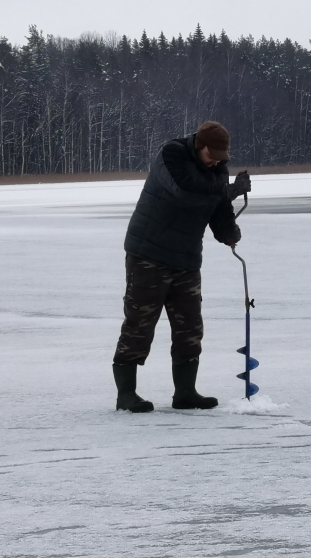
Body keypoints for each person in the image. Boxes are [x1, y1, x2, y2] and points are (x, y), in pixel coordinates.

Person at [112, 120, 252, 412]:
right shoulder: (171, 156)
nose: (215, 161)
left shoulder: (216, 171)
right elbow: (186, 194)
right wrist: (228, 191)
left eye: (220, 158)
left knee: (190, 328)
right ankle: (126, 394)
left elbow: (215, 206)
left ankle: (185, 392)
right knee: (139, 325)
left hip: (186, 258)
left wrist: (229, 232)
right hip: (148, 253)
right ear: (198, 146)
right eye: (211, 155)